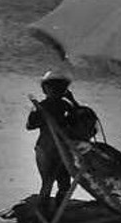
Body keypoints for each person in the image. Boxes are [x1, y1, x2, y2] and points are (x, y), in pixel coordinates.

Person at [25, 70, 100, 213]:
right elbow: (81, 122)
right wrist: (72, 101)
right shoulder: (62, 106)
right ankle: (50, 211)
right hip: (52, 150)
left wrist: (38, 113)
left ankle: (48, 212)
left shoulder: (52, 106)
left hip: (52, 150)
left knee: (52, 182)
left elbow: (30, 125)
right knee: (59, 183)